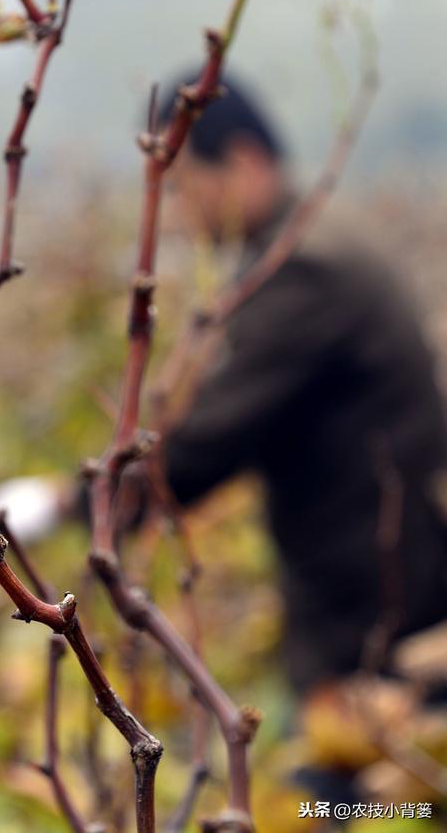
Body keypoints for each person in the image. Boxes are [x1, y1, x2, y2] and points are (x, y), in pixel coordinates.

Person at [157, 72, 447, 704]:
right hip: (374, 600)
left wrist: (74, 503)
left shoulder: (306, 271)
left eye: (182, 187)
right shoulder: (312, 249)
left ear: (241, 160)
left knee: (349, 802)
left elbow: (206, 444)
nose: (177, 215)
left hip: (375, 619)